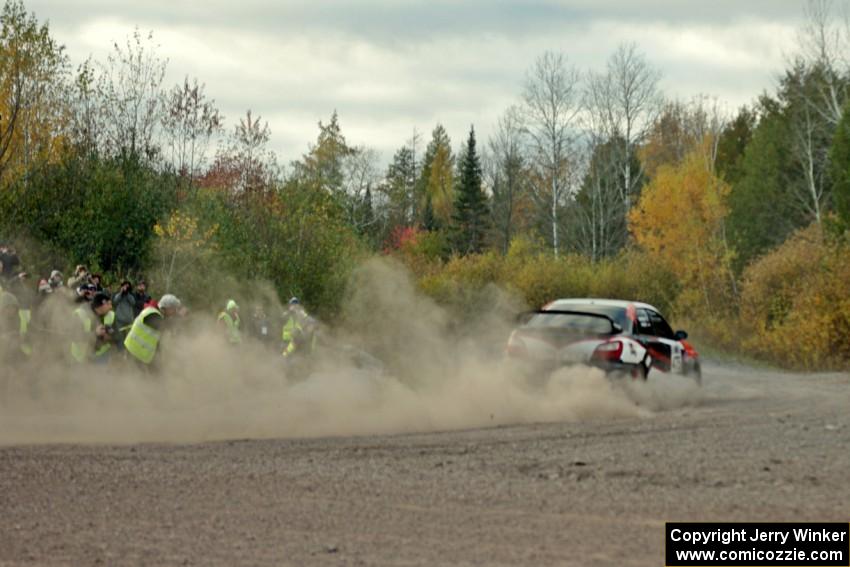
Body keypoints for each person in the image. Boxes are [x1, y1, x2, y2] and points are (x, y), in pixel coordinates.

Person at [124, 293, 183, 370]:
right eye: (173, 309)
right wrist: (180, 320)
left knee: (154, 377)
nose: (175, 312)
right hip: (134, 353)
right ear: (166, 308)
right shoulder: (151, 313)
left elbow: (156, 341)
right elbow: (163, 325)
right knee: (137, 378)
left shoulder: (158, 315)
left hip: (142, 354)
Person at [69, 291, 115, 364]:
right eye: (108, 304)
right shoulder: (80, 314)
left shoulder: (109, 314)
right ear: (101, 306)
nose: (111, 307)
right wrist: (95, 334)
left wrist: (109, 336)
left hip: (101, 356)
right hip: (81, 359)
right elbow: (74, 336)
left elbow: (116, 334)